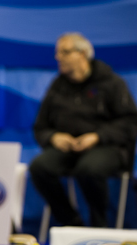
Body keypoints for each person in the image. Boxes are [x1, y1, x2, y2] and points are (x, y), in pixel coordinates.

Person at [29, 32, 137, 228]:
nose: (58, 57)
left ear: (83, 54)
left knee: (88, 169)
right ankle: (71, 222)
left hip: (107, 147)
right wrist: (54, 137)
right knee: (39, 167)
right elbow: (40, 126)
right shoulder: (57, 86)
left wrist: (97, 136)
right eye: (57, 52)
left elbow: (130, 122)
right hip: (69, 149)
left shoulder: (112, 83)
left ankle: (99, 227)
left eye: (65, 52)